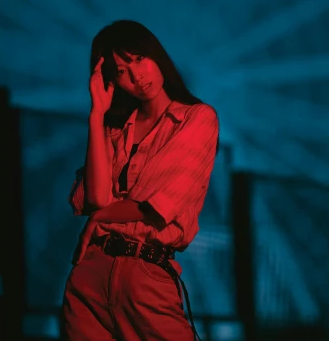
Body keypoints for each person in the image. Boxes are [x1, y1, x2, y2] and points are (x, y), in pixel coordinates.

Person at [62, 20, 219, 341]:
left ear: (157, 57)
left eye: (138, 60)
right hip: (90, 273)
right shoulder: (114, 131)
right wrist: (97, 115)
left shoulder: (196, 118)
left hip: (145, 271)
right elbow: (93, 200)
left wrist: (103, 218)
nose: (136, 76)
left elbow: (160, 203)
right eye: (120, 71)